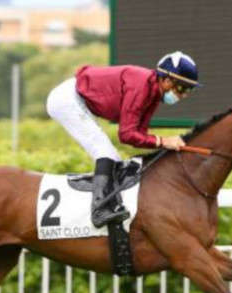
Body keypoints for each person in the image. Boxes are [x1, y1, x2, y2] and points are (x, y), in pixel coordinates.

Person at [46, 51, 200, 228]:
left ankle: (110, 207)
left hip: (76, 99)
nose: (184, 95)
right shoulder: (141, 87)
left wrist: (163, 143)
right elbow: (126, 135)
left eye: (189, 90)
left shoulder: (152, 94)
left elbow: (139, 135)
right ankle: (99, 211)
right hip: (67, 100)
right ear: (166, 80)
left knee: (114, 159)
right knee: (105, 152)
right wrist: (163, 141)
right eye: (182, 88)